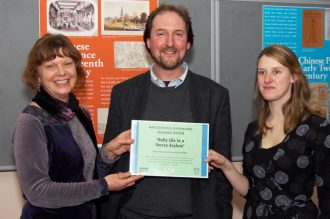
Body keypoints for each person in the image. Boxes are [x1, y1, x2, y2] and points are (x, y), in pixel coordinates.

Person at [98, 3, 233, 219]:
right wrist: (107, 153)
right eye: (161, 34)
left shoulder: (215, 96)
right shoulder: (123, 94)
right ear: (148, 42)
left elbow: (224, 176)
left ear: (188, 43)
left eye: (178, 34)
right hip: (132, 214)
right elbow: (107, 160)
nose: (169, 43)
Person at [12, 33, 142, 219]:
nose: (61, 72)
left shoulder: (80, 111)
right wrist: (103, 186)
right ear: (37, 75)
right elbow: (38, 192)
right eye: (50, 66)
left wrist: (108, 154)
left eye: (67, 63)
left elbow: (84, 174)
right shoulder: (31, 121)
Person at [206, 44, 330, 219]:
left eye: (276, 72)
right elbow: (249, 190)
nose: (267, 79)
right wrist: (226, 166)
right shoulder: (253, 130)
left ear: (294, 76)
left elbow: (327, 195)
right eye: (262, 72)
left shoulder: (317, 128)